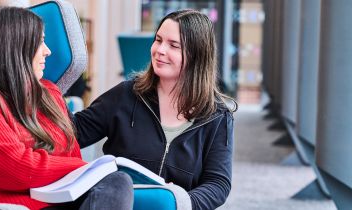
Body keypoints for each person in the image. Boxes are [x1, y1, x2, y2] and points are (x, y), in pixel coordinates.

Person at [0, 6, 133, 210]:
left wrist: (91, 171)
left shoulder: (49, 93)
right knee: (114, 180)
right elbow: (15, 168)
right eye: (40, 41)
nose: (48, 51)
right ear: (13, 46)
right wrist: (89, 169)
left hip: (62, 200)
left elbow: (71, 155)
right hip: (12, 206)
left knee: (118, 182)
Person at [74, 9, 236, 210]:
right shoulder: (126, 94)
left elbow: (217, 184)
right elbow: (72, 132)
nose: (160, 50)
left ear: (197, 55)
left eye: (173, 45)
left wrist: (178, 202)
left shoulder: (217, 116)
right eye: (158, 40)